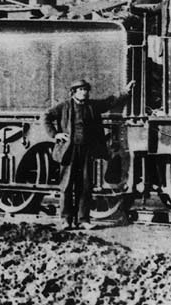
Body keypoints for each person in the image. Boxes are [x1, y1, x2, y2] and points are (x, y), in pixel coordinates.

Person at [42, 78, 132, 230]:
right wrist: (55, 134)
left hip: (86, 151)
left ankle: (83, 219)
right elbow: (46, 117)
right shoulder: (64, 107)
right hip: (69, 152)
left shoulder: (92, 106)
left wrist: (125, 92)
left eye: (86, 90)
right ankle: (65, 220)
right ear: (74, 92)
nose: (84, 93)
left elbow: (109, 102)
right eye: (81, 90)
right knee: (67, 186)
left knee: (85, 185)